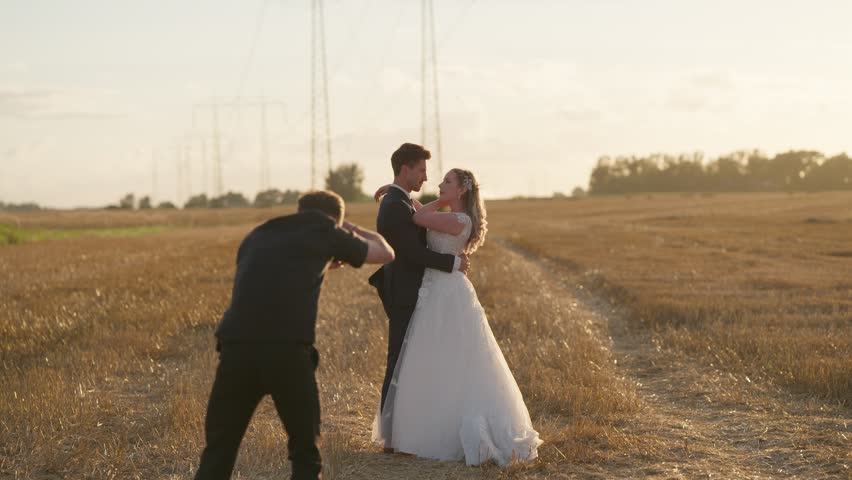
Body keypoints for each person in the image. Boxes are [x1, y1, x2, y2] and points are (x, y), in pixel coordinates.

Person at [195, 190, 394, 480]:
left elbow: (276, 271)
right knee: (305, 452)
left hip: (235, 348)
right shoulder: (325, 229)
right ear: (333, 219)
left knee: (219, 451)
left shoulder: (259, 234)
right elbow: (385, 253)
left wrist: (323, 257)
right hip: (286, 351)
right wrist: (348, 230)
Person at [371, 168, 542, 466]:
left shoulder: (459, 219)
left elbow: (418, 218)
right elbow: (419, 215)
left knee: (453, 355)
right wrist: (398, 191)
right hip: (434, 288)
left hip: (447, 292)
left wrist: (420, 199)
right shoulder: (452, 215)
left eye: (446, 182)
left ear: (461, 190)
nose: (438, 184)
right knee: (430, 357)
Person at [367, 143, 469, 454]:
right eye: (421, 170)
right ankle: (390, 437)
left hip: (419, 291)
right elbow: (410, 253)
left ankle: (407, 428)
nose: (426, 176)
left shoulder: (402, 200)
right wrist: (452, 264)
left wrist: (396, 188)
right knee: (398, 359)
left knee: (412, 361)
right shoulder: (394, 206)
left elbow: (418, 214)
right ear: (406, 169)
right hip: (406, 291)